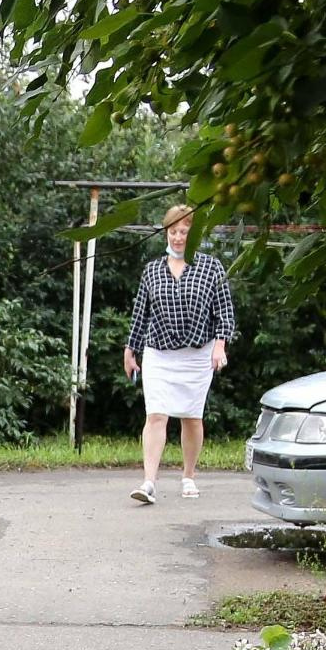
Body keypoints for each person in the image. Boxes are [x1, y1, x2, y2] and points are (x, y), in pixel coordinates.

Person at [122, 202, 237, 504]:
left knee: (191, 417)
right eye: (173, 231)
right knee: (156, 415)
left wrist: (220, 344)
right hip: (158, 352)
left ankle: (188, 475)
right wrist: (130, 349)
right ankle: (149, 482)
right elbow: (140, 313)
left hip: (197, 354)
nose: (178, 237)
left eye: (184, 231)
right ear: (166, 233)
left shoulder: (211, 267)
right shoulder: (152, 270)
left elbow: (225, 311)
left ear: (194, 233)